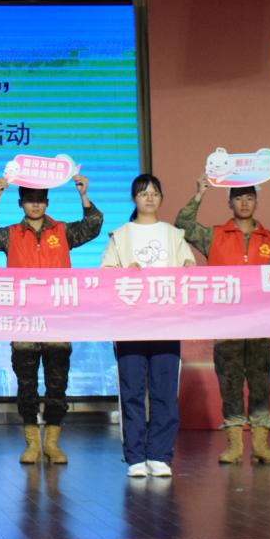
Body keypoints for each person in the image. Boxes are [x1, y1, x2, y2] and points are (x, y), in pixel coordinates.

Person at [0, 174, 102, 464]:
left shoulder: (62, 230)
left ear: (47, 203)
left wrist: (83, 195)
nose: (35, 205)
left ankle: (52, 443)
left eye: (40, 200)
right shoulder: (11, 234)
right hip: (23, 321)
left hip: (58, 321)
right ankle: (32, 443)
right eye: (30, 200)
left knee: (57, 384)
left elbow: (93, 226)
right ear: (21, 203)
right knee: (27, 386)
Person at [175, 175, 270, 465]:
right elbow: (183, 224)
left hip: (260, 323)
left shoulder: (269, 239)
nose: (244, 203)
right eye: (238, 198)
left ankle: (261, 446)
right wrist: (199, 194)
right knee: (230, 382)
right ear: (229, 203)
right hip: (226, 322)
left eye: (249, 197)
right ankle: (234, 446)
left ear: (256, 202)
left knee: (261, 383)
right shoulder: (215, 235)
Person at [101, 173, 195, 478]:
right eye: (143, 193)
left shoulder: (174, 234)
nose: (150, 198)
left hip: (167, 322)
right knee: (131, 390)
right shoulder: (120, 235)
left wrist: (189, 267)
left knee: (164, 390)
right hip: (130, 323)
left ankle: (160, 454)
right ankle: (135, 457)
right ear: (134, 198)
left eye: (155, 193)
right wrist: (123, 272)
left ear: (161, 198)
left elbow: (190, 268)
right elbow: (105, 274)